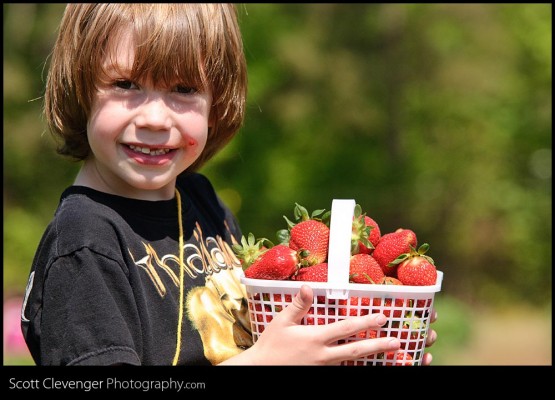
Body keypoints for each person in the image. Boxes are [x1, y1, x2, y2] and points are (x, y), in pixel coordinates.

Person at [21, 3, 438, 366]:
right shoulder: (85, 243)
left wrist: (344, 340)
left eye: (184, 90)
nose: (154, 119)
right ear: (80, 87)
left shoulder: (204, 205)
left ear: (216, 103)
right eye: (126, 85)